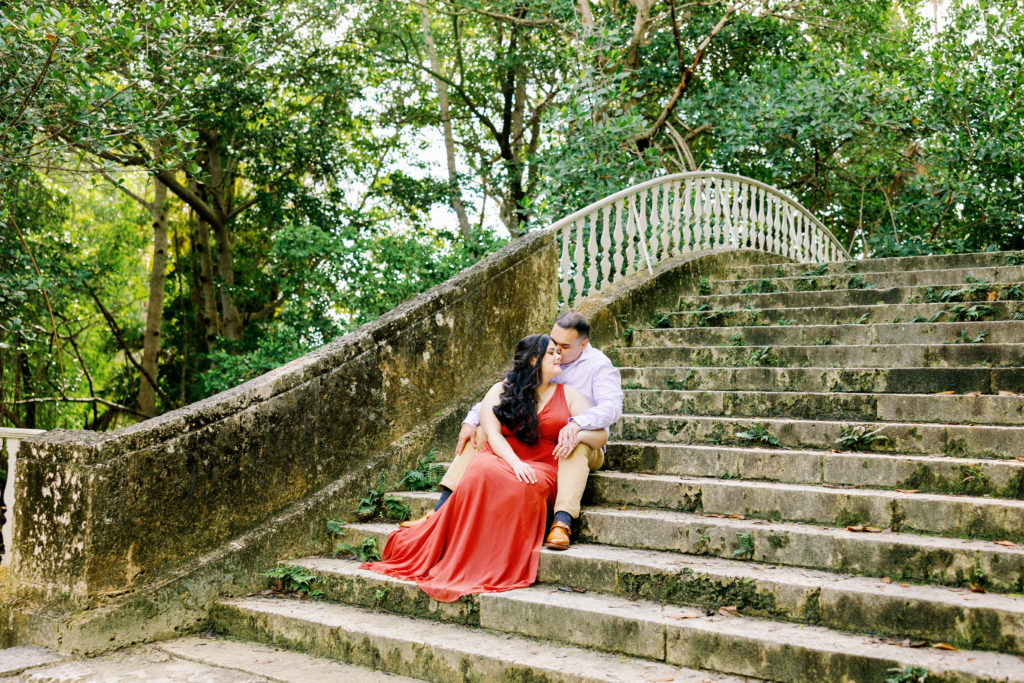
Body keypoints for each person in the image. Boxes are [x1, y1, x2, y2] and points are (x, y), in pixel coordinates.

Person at [360, 334, 608, 602]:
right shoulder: (501, 390)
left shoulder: (569, 395)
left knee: (525, 470)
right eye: (552, 353)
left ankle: (561, 522)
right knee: (482, 462)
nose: (559, 356)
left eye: (559, 352)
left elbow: (601, 436)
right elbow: (492, 434)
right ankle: (443, 510)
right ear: (534, 360)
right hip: (509, 459)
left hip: (547, 466)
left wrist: (576, 432)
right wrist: (515, 464)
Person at [401, 312, 623, 551]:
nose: (557, 351)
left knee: (571, 443)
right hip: (533, 436)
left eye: (564, 347)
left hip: (582, 440)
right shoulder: (541, 356)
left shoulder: (599, 367)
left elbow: (611, 409)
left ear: (584, 344)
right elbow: (505, 392)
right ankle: (439, 511)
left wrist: (576, 425)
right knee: (478, 433)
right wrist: (470, 421)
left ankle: (562, 522)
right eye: (553, 343)